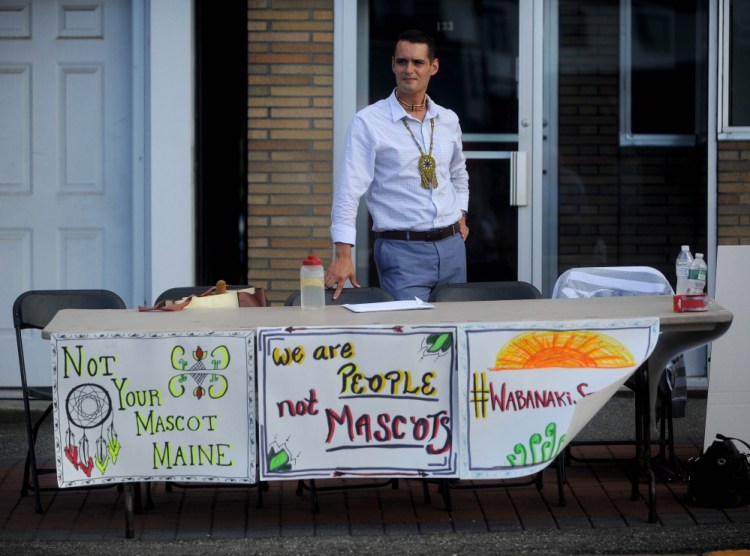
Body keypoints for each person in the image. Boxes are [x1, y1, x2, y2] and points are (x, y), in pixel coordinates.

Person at [325, 29, 470, 301]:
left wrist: (461, 211)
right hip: (402, 251)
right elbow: (348, 190)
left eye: (418, 62)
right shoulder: (368, 122)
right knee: (409, 336)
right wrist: (343, 254)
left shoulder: (448, 119)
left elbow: (458, 173)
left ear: (433, 67)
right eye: (402, 62)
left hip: (452, 248)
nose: (409, 69)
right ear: (393, 64)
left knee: (453, 334)